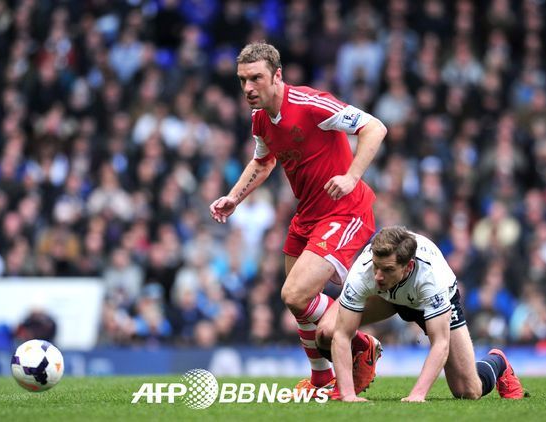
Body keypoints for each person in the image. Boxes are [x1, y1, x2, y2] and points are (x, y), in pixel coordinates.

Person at [209, 42, 388, 393]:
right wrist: (234, 197)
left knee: (293, 294)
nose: (248, 88)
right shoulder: (260, 118)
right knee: (298, 302)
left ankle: (361, 344)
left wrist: (351, 176)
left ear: (277, 75)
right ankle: (321, 378)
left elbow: (375, 127)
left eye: (256, 78)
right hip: (307, 214)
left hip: (344, 210)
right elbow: (264, 161)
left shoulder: (310, 104)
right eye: (242, 80)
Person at [331, 226, 527, 402]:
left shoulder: (431, 277)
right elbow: (341, 334)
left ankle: (498, 362)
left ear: (408, 266)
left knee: (468, 390)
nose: (378, 276)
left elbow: (440, 343)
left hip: (429, 303)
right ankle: (364, 350)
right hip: (387, 296)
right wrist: (347, 395)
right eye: (376, 266)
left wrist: (418, 394)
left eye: (388, 269)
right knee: (327, 330)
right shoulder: (364, 269)